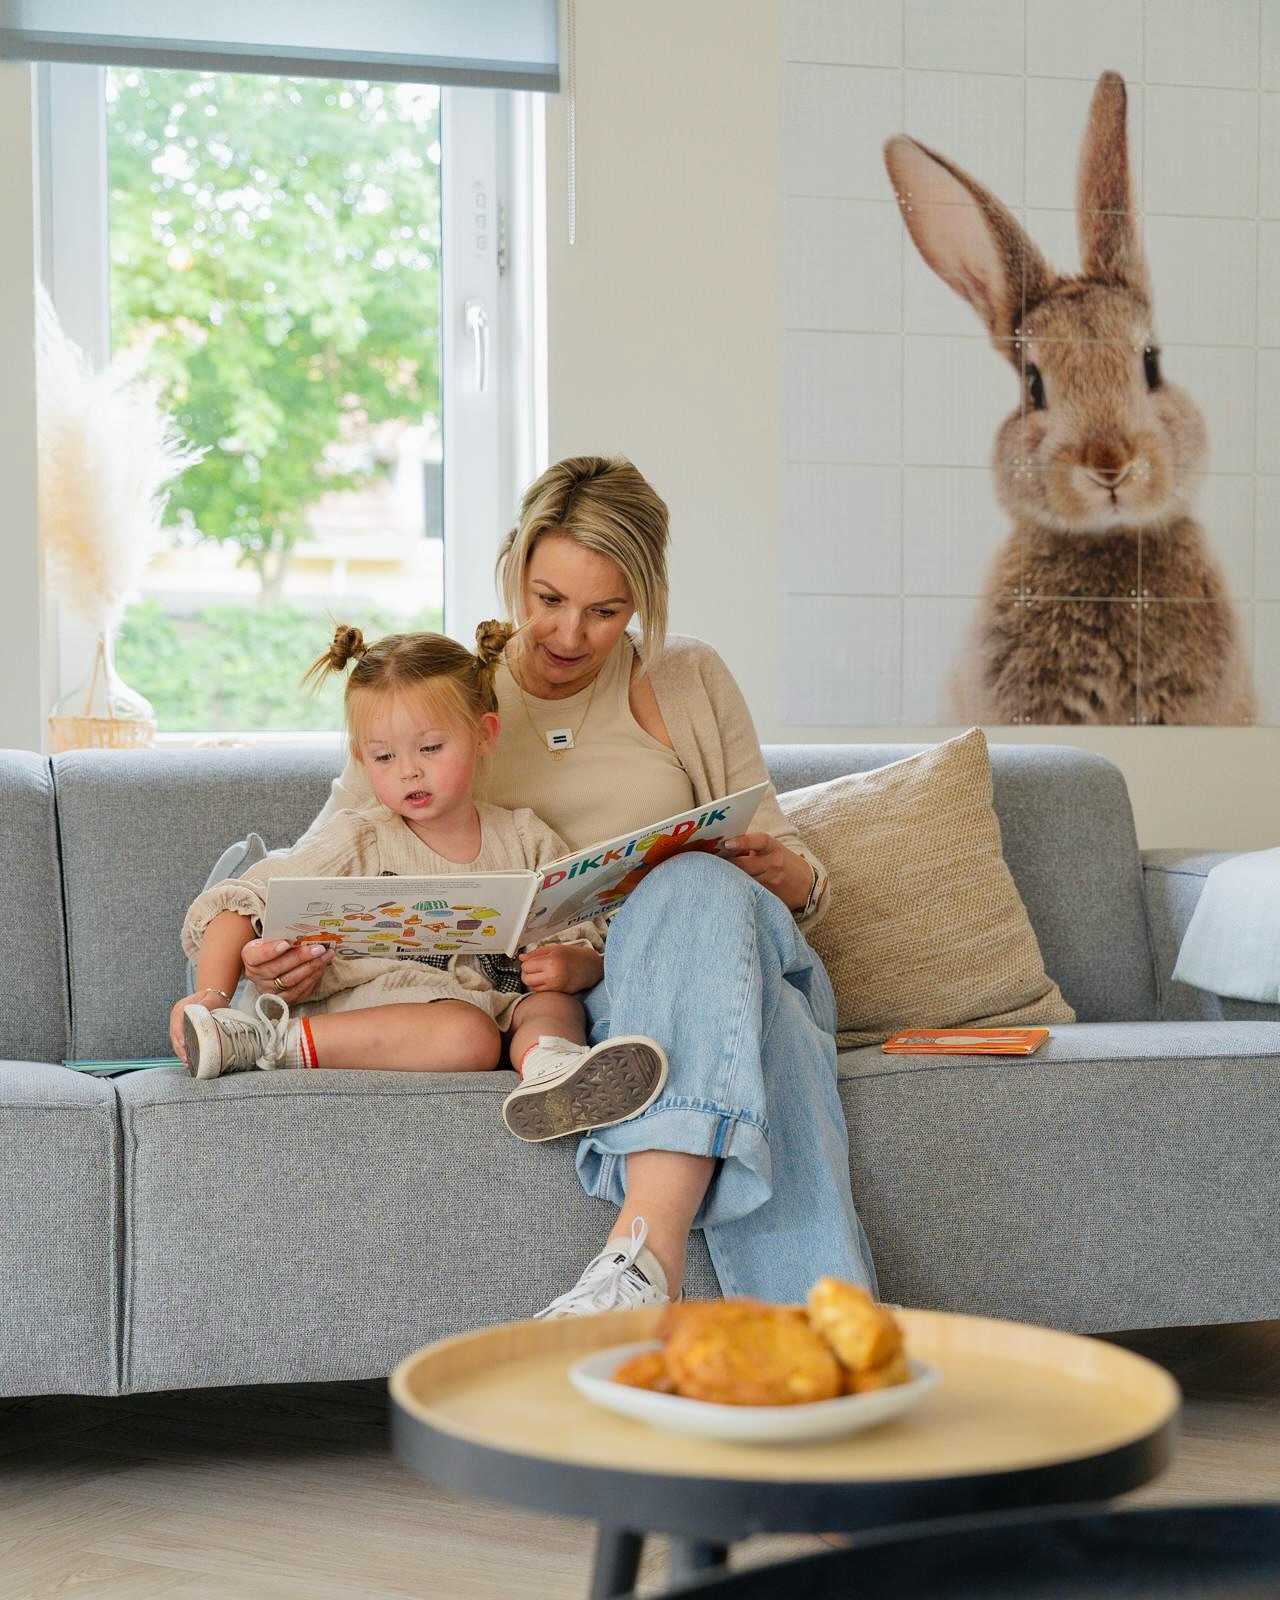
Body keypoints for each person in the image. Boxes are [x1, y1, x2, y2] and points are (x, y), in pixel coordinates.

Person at [240, 456, 878, 1315]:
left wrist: (780, 870)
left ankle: (640, 1262)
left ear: (642, 600)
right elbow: (331, 860)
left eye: (605, 611)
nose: (570, 635)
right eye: (548, 599)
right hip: (580, 1009)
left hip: (717, 951)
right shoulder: (441, 700)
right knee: (781, 1037)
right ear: (513, 566)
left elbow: (799, 876)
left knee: (695, 884)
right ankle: (826, 1341)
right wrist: (286, 957)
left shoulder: (688, 678)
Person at [170, 622, 668, 1143]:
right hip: (383, 1008)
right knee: (469, 1036)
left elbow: (585, 932)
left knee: (554, 1006)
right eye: (384, 756)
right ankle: (265, 1040)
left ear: (483, 734)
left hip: (499, 1002)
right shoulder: (359, 838)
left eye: (430, 748)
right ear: (362, 758)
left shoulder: (526, 837)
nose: (408, 771)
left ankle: (553, 1072)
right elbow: (236, 903)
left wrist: (573, 964)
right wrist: (211, 996)